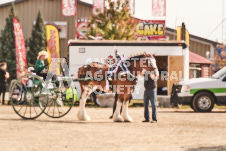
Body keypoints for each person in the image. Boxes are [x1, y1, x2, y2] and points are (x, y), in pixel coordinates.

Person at [142, 58, 159, 123]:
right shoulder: (146, 72)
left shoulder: (154, 70)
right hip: (146, 90)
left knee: (154, 105)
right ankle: (147, 118)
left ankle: (154, 119)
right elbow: (141, 74)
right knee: (145, 105)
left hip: (152, 90)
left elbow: (155, 76)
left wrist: (150, 73)